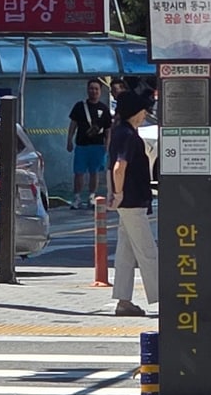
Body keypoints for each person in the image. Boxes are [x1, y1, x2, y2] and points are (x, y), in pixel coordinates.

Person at [107, 89, 158, 317]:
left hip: (128, 201)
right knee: (147, 251)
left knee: (126, 253)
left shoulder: (120, 132)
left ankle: (123, 300)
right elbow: (120, 167)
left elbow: (115, 167)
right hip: (132, 200)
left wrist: (116, 195)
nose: (145, 114)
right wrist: (118, 193)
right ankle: (164, 296)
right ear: (133, 112)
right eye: (142, 110)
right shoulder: (127, 134)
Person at [66, 78, 113, 210]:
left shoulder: (104, 109)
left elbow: (108, 130)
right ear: (87, 90)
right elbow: (73, 124)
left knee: (95, 172)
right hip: (81, 145)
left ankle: (92, 196)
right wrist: (69, 140)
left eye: (96, 89)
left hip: (98, 146)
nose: (93, 91)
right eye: (91, 88)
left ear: (100, 91)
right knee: (79, 172)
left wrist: (107, 146)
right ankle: (76, 197)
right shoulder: (79, 106)